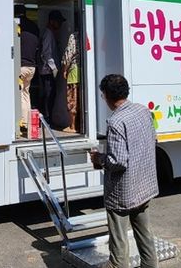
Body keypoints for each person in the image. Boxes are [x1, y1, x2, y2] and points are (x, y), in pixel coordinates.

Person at [90, 74, 159, 268]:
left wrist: (99, 159)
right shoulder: (143, 111)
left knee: (118, 248)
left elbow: (118, 161)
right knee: (145, 237)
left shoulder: (116, 121)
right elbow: (153, 140)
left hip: (122, 192)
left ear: (107, 96)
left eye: (103, 95)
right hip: (144, 185)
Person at [14, 5, 40, 135]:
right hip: (31, 67)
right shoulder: (34, 26)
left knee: (18, 94)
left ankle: (21, 124)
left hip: (20, 66)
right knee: (25, 93)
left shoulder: (16, 25)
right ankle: (27, 123)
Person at [39, 9, 65, 125]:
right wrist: (53, 67)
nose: (60, 25)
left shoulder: (50, 34)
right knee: (49, 95)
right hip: (47, 71)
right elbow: (46, 53)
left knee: (49, 95)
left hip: (47, 70)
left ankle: (47, 118)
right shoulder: (48, 34)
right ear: (52, 21)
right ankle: (47, 119)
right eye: (58, 22)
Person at [61, 27, 80, 133]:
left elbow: (69, 54)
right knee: (80, 97)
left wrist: (64, 69)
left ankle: (73, 126)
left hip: (74, 69)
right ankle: (79, 124)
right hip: (83, 69)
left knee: (72, 96)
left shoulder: (74, 36)